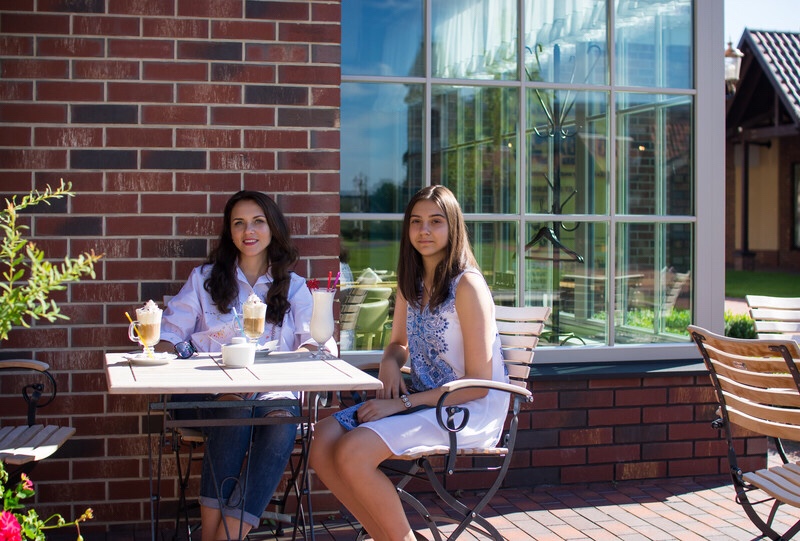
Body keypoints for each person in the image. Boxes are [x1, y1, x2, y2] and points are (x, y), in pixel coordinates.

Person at [308, 185, 508, 541]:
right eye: (416, 222)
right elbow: (398, 343)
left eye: (435, 221)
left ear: (453, 227)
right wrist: (389, 362)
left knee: (353, 452)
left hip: (465, 408)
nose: (424, 231)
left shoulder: (467, 286)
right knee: (321, 440)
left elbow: (478, 382)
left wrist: (399, 404)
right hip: (423, 399)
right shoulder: (410, 281)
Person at [155, 190, 332, 540]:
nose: (248, 230)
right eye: (239, 223)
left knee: (283, 415)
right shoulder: (204, 280)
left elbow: (317, 341)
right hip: (211, 398)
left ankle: (224, 538)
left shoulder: (294, 288)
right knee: (235, 408)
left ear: (273, 229)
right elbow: (168, 335)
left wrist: (313, 344)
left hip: (271, 398)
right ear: (229, 232)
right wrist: (167, 351)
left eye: (258, 222)